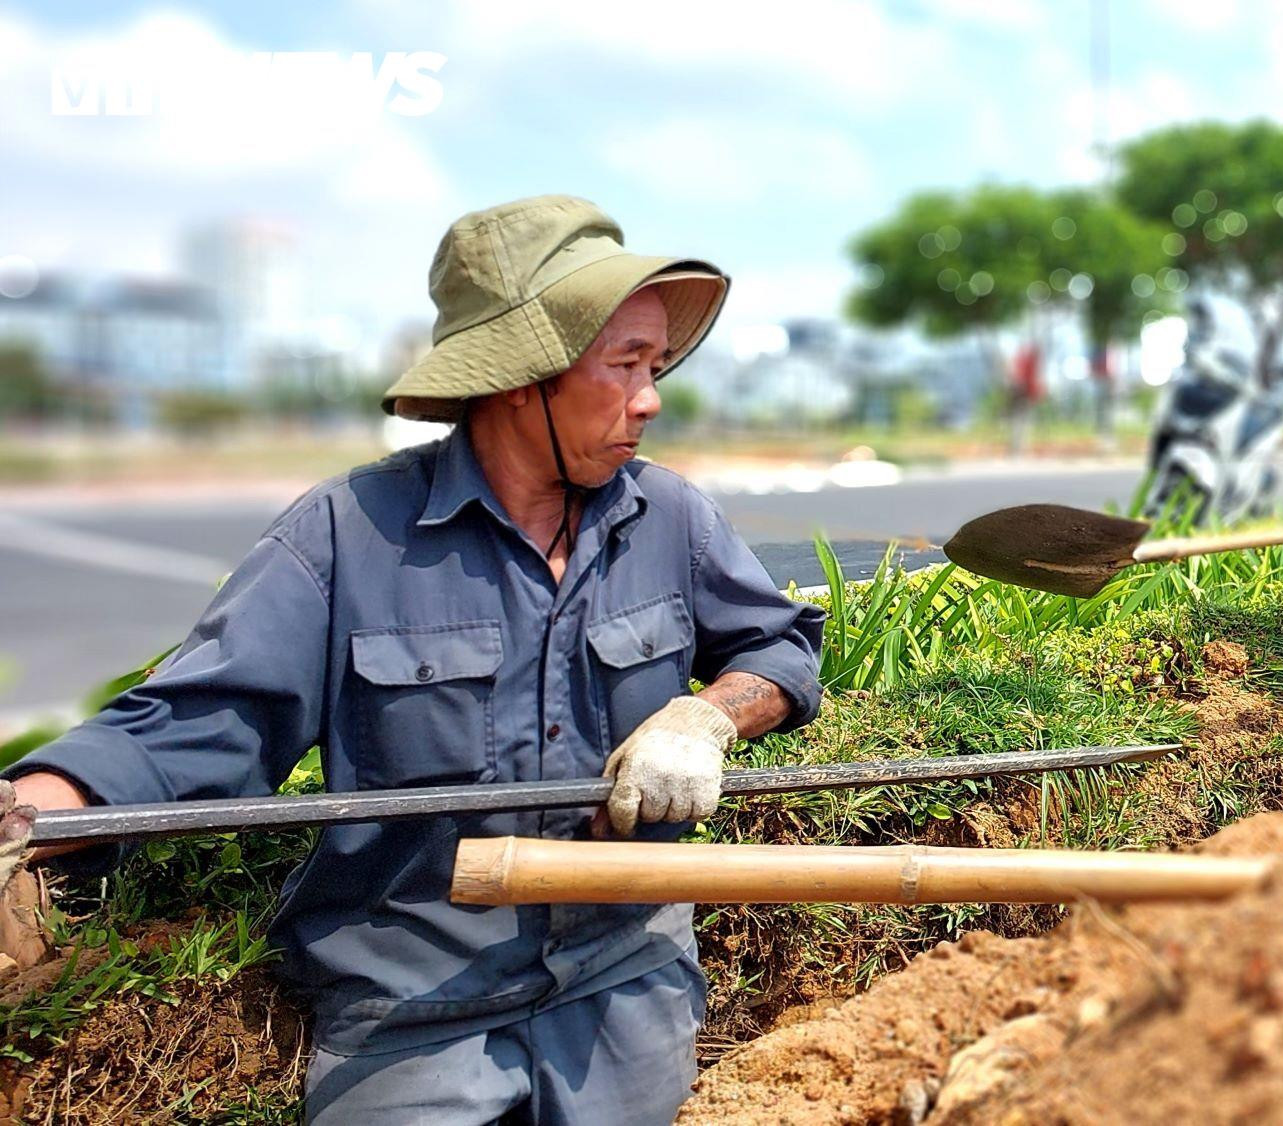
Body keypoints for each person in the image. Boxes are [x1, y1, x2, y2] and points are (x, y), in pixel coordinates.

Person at [0, 194, 826, 1122]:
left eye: (657, 363)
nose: (653, 397)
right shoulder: (346, 536)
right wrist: (32, 815)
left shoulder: (669, 517)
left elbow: (778, 646)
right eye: (625, 364)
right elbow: (202, 725)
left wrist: (710, 715)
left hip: (622, 979)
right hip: (413, 1013)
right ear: (525, 377)